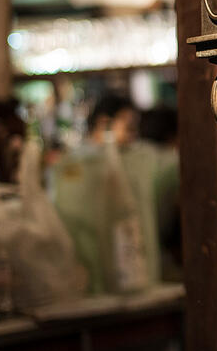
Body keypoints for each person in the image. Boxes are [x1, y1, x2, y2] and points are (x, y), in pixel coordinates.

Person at [51, 95, 168, 294]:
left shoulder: (141, 158)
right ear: (104, 123)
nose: (133, 134)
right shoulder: (76, 164)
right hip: (90, 273)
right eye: (129, 127)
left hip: (135, 264)